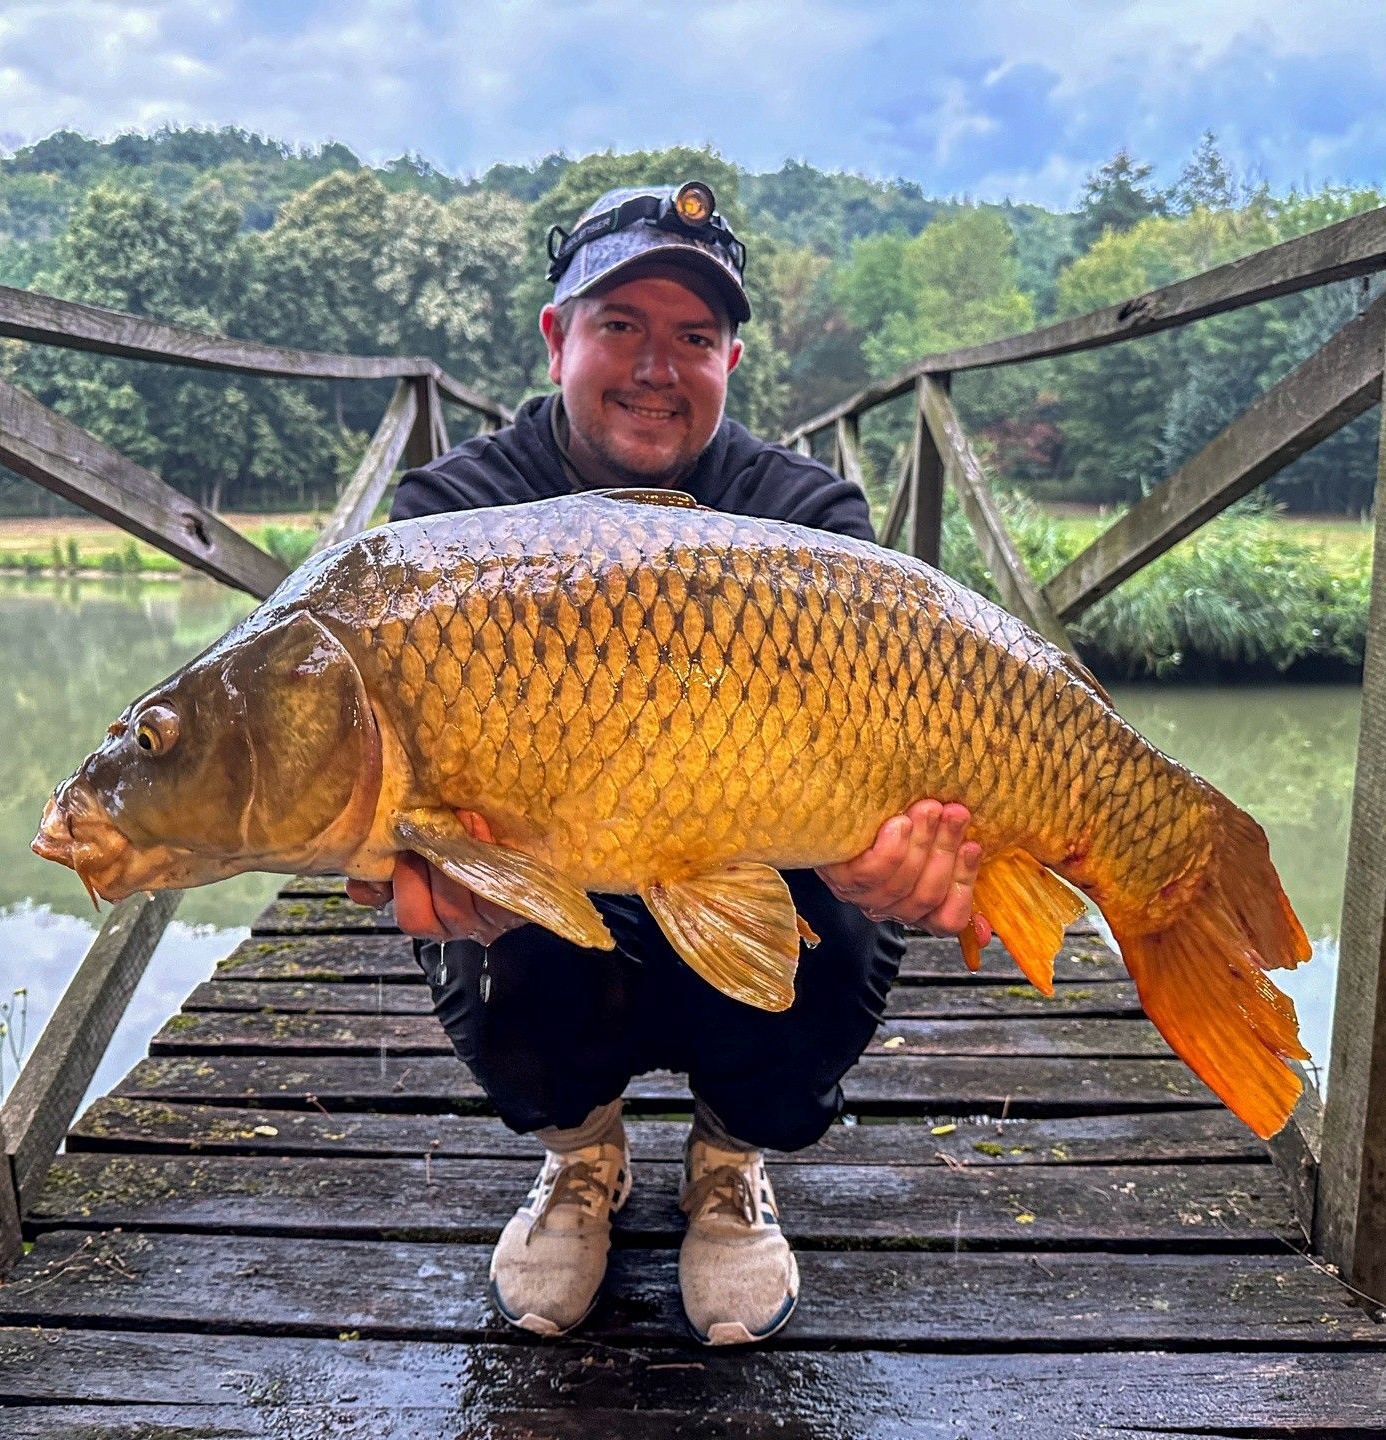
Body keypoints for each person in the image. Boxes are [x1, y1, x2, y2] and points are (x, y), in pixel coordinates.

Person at [345, 182, 987, 1346]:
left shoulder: (808, 517)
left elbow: (913, 765)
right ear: (556, 338)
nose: (657, 366)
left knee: (837, 922)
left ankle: (731, 1160)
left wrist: (908, 860)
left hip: (753, 885)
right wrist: (405, 857)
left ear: (731, 356)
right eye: (621, 326)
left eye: (694, 337)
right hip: (564, 898)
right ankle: (581, 1154)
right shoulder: (450, 518)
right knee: (488, 911)